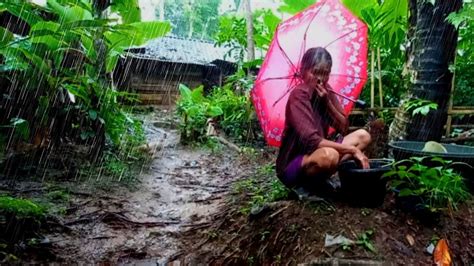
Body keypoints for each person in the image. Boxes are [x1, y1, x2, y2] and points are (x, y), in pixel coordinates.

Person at [276, 47, 371, 193]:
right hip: (294, 165)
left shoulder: (326, 91)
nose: (320, 79)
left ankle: (320, 179)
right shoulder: (299, 95)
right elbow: (312, 141)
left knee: (363, 136)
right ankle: (305, 186)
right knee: (330, 155)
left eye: (325, 73)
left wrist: (327, 103)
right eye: (315, 72)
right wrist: (352, 150)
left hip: (319, 152)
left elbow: (343, 127)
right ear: (303, 71)